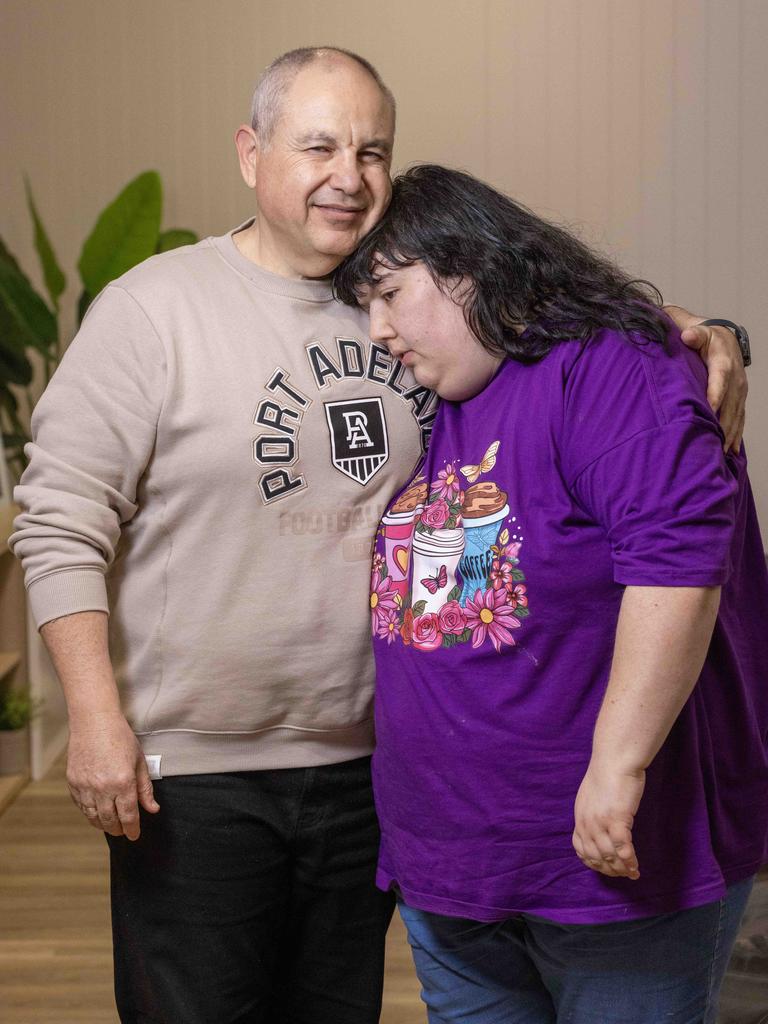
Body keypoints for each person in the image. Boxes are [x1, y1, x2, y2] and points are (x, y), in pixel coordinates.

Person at [8, 47, 749, 1024]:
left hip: (367, 769)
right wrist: (94, 720)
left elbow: (537, 301)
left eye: (372, 150)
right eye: (318, 145)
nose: (347, 175)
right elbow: (58, 518)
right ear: (250, 152)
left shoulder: (408, 302)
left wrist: (695, 329)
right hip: (195, 767)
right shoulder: (155, 309)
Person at [333, 163, 768, 1024]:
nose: (377, 329)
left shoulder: (615, 364)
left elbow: (678, 566)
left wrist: (618, 764)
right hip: (452, 869)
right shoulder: (437, 396)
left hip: (606, 867)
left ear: (468, 264)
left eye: (388, 293)